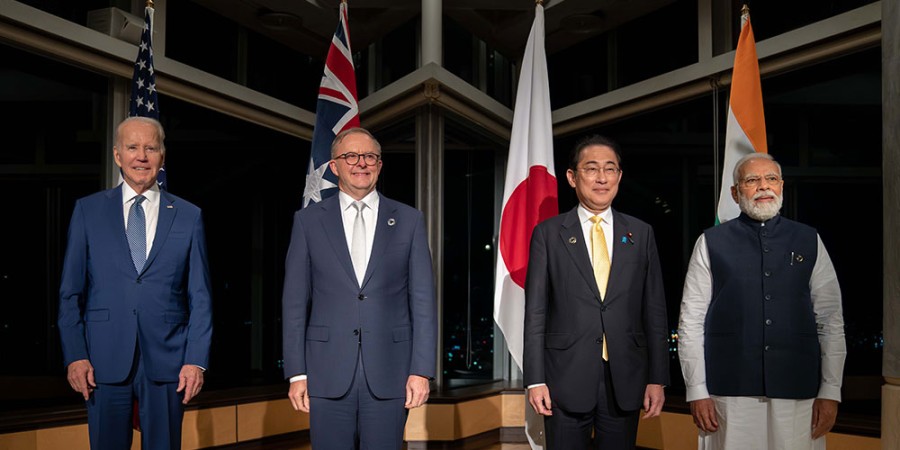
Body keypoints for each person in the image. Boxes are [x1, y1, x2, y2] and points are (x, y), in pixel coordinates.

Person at [58, 116, 213, 449]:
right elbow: (70, 293)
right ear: (117, 155)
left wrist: (195, 360)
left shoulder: (189, 215)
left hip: (169, 364)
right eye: (132, 147)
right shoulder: (88, 211)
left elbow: (200, 296)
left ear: (162, 157)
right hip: (101, 361)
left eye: (150, 147)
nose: (141, 156)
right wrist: (75, 355)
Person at [678, 152, 846, 449]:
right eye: (752, 180)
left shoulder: (809, 239)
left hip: (798, 389)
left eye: (771, 179)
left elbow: (830, 320)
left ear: (781, 185)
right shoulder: (710, 242)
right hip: (727, 391)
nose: (763, 186)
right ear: (735, 191)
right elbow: (690, 322)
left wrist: (831, 391)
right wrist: (696, 390)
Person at [282, 127, 437, 449]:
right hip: (325, 371)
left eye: (369, 157)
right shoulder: (308, 221)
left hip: (391, 372)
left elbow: (422, 301)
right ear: (335, 166)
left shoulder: (409, 220)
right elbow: (295, 302)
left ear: (379, 165)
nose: (361, 163)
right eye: (351, 156)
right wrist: (297, 372)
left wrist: (421, 370)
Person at [524, 135, 669, 450]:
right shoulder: (548, 235)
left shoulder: (641, 233)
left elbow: (654, 310)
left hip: (626, 378)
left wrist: (657, 377)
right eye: (591, 169)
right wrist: (535, 380)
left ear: (619, 176)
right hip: (564, 377)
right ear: (572, 178)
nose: (602, 178)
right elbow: (535, 312)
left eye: (610, 169)